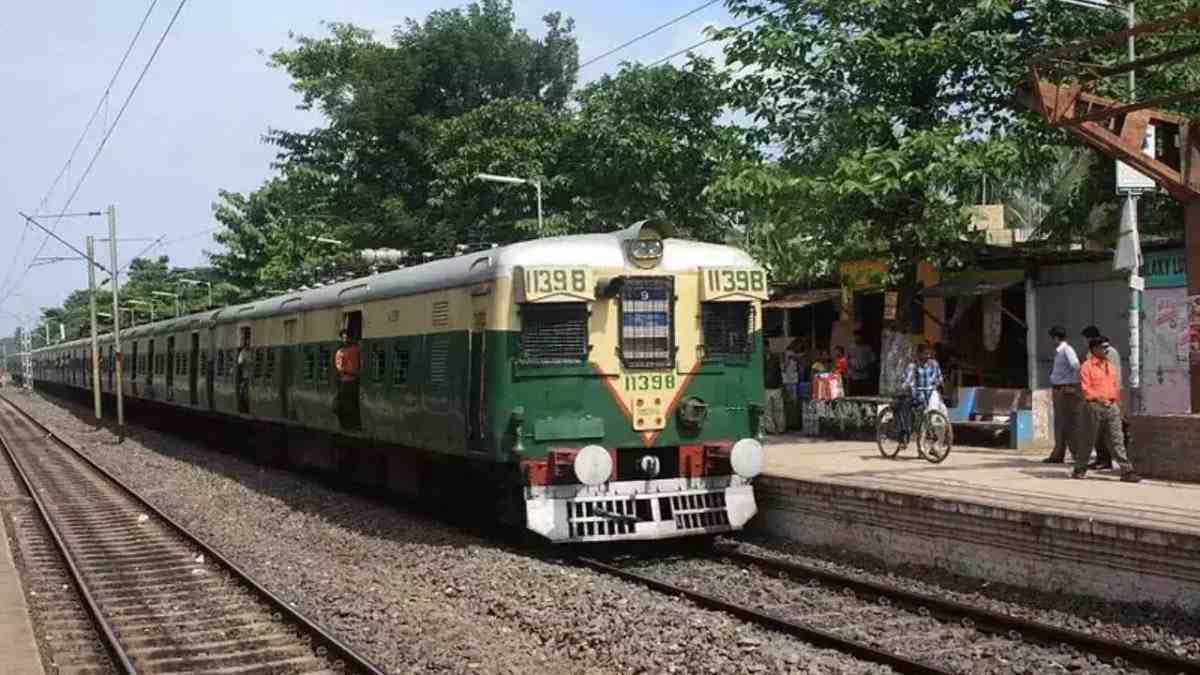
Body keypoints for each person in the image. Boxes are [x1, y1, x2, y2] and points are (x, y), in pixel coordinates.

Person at [1076, 337, 1141, 482]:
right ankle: (1080, 468)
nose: (1106, 350)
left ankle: (1127, 471)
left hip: (1112, 407)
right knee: (1088, 439)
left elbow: (1114, 388)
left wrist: (1119, 406)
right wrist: (1100, 400)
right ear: (1094, 349)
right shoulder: (1086, 367)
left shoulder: (1110, 367)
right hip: (1094, 407)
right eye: (1103, 347)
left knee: (1117, 440)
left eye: (1107, 347)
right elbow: (1086, 390)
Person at [1081, 326, 1119, 469]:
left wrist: (1114, 400)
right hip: (1097, 401)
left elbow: (1115, 379)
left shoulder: (1109, 354)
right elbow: (1087, 385)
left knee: (1113, 436)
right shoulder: (1089, 362)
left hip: (1109, 401)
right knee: (1095, 436)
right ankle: (1090, 463)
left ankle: (1114, 463)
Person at [1043, 326, 1082, 464]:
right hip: (1059, 389)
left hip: (1065, 390)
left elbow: (1077, 367)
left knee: (1069, 423)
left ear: (1056, 337)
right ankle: (1058, 453)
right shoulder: (1060, 351)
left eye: (1052, 338)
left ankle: (1077, 454)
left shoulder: (1067, 350)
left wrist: (1071, 385)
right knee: (1060, 423)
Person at [896, 343, 943, 450]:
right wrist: (905, 387)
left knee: (933, 420)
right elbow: (907, 380)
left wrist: (936, 385)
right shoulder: (913, 366)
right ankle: (904, 436)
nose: (927, 356)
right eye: (924, 354)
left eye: (928, 354)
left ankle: (931, 447)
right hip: (917, 396)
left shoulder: (934, 364)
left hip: (931, 396)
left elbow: (939, 378)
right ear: (918, 354)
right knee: (904, 410)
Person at [334, 329, 362, 430]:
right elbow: (339, 368)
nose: (346, 339)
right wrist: (353, 372)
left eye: (347, 337)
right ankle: (345, 425)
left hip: (354, 381)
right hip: (345, 381)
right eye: (344, 337)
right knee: (343, 405)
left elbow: (361, 362)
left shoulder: (357, 349)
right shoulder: (340, 352)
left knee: (354, 404)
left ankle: (355, 425)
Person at [235, 333, 251, 413]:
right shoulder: (242, 353)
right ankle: (242, 407)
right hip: (245, 376)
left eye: (249, 342)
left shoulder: (252, 352)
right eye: (247, 342)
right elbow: (239, 363)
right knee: (243, 392)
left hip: (249, 376)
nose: (249, 344)